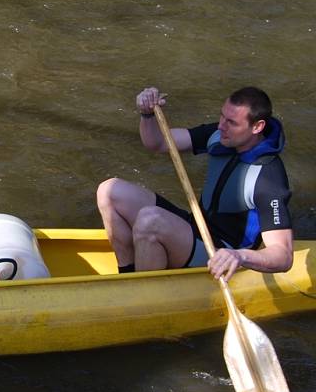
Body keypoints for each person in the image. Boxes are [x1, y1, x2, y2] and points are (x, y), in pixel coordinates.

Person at [96, 86, 293, 281]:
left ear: (257, 127)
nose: (221, 125)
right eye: (222, 116)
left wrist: (240, 256)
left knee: (150, 220)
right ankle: (127, 276)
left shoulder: (269, 177)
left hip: (221, 252)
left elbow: (283, 256)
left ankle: (143, 296)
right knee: (110, 191)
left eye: (231, 122)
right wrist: (147, 115)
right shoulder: (221, 135)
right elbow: (157, 143)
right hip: (196, 227)